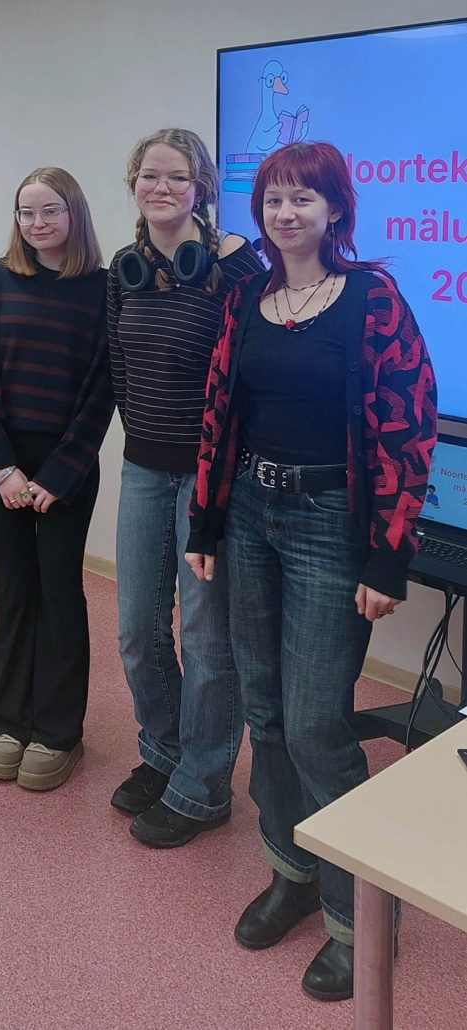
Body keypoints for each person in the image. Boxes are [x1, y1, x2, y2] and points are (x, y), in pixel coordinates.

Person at [185, 141, 437, 1001]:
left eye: (302, 198)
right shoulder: (249, 299)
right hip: (249, 517)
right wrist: (206, 522)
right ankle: (291, 871)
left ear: (334, 210)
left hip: (331, 523)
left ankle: (357, 917)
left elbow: (408, 426)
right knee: (262, 709)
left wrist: (388, 555)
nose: (285, 212)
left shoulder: (372, 298)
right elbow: (220, 412)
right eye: (273, 199)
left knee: (316, 724)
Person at [107, 129, 264, 846]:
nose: (161, 188)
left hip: (210, 478)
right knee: (137, 629)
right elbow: (118, 365)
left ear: (201, 186)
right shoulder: (126, 267)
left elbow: (252, 370)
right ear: (133, 184)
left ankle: (203, 784)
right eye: (149, 176)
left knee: (205, 637)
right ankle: (163, 753)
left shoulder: (236, 267)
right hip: (142, 469)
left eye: (176, 177)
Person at [0, 167, 113, 791]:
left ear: (74, 213)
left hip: (64, 469)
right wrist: (1, 467)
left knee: (58, 593)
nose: (37, 223)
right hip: (0, 463)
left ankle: (57, 731)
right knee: (13, 588)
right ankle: (9, 723)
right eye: (26, 213)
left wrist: (58, 475)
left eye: (50, 210)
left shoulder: (103, 288)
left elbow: (102, 389)